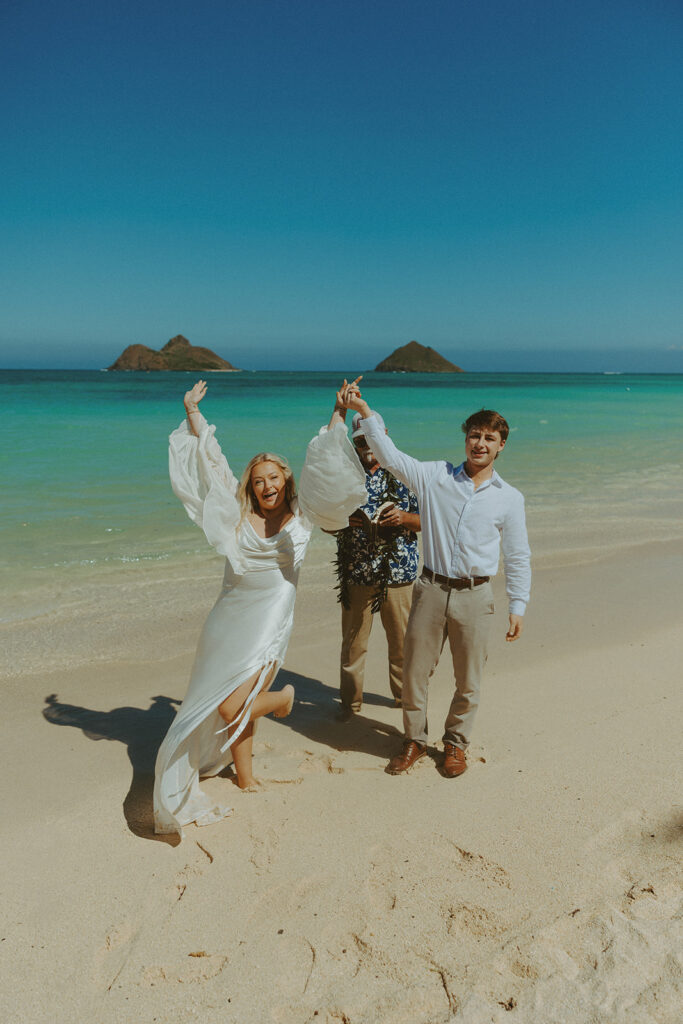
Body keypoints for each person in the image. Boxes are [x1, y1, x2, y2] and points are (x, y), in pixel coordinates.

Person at [154, 379, 367, 837]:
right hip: (227, 616)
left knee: (233, 704)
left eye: (273, 478)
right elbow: (211, 463)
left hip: (268, 619)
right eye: (258, 480)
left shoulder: (303, 514)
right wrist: (192, 412)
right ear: (251, 485)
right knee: (227, 700)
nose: (266, 485)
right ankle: (246, 777)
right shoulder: (237, 511)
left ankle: (283, 699)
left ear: (285, 480)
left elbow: (328, 459)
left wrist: (339, 412)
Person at [342, 388, 531, 778]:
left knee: (469, 679)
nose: (480, 443)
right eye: (474, 435)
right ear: (466, 439)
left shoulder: (509, 498)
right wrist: (363, 411)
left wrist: (518, 605)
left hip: (476, 596)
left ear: (501, 446)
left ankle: (455, 744)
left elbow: (517, 555)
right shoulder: (434, 477)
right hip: (430, 589)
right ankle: (413, 740)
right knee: (414, 671)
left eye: (489, 438)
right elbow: (391, 456)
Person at [330, 391, 420, 717]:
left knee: (402, 646)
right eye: (361, 443)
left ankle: (404, 701)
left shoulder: (407, 472)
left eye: (371, 441)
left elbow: (433, 520)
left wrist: (404, 518)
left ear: (384, 437)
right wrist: (342, 521)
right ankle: (350, 706)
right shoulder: (343, 474)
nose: (366, 450)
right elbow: (324, 520)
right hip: (356, 573)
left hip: (398, 574)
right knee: (353, 645)